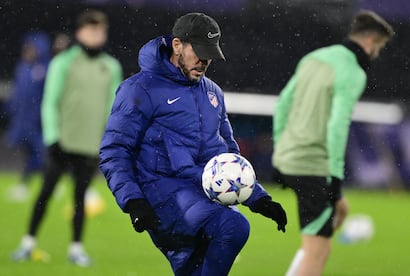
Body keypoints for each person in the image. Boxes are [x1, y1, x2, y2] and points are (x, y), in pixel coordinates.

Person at [100, 12, 287, 276]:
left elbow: (227, 157)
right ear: (177, 45)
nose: (205, 61)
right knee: (232, 227)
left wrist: (258, 198)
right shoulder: (139, 89)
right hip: (162, 202)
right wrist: (134, 202)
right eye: (199, 51)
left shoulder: (213, 93)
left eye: (210, 54)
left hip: (203, 199)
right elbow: (115, 150)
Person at [271, 10, 394, 276]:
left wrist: (280, 151)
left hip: (289, 159)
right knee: (318, 251)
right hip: (312, 166)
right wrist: (335, 184)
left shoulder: (314, 58)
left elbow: (282, 105)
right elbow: (337, 127)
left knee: (327, 230)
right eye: (380, 47)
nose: (378, 53)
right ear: (372, 41)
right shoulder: (353, 73)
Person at [12, 10, 123, 266]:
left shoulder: (112, 66)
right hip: (62, 142)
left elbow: (111, 108)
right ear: (80, 32)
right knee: (45, 194)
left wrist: (107, 142)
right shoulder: (63, 62)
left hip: (90, 145)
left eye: (100, 31)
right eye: (91, 30)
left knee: (80, 198)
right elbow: (50, 102)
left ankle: (76, 248)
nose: (96, 35)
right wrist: (53, 138)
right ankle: (27, 243)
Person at [6, 31, 51, 202]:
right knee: (30, 154)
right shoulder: (22, 67)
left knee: (39, 155)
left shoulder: (45, 69)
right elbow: (17, 95)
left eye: (31, 47)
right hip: (22, 121)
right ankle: (44, 182)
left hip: (38, 123)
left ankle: (26, 185)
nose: (28, 50)